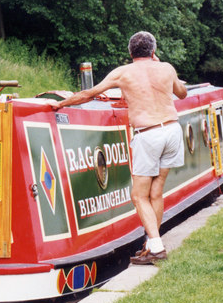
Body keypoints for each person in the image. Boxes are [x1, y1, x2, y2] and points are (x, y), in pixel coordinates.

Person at [49, 31, 188, 265]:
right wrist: (160, 66)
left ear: (130, 52)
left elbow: (88, 94)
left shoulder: (122, 73)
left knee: (138, 195)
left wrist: (60, 103)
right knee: (156, 192)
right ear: (153, 51)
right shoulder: (167, 68)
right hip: (173, 131)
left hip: (149, 134)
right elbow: (182, 94)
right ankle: (151, 243)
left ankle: (156, 247)